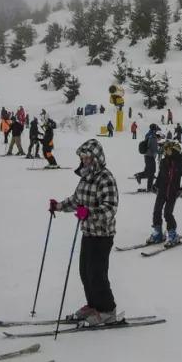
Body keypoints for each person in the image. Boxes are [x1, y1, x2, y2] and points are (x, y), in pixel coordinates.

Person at [50, 139, 122, 326]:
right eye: (82, 158)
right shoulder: (85, 177)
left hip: (103, 235)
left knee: (97, 274)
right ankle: (94, 305)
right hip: (88, 232)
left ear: (96, 158)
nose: (84, 161)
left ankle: (107, 310)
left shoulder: (106, 178)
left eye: (87, 157)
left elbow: (110, 209)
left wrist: (89, 213)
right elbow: (76, 200)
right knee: (85, 272)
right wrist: (58, 206)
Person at [148, 140, 182, 246]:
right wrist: (155, 185)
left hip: (172, 192)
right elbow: (160, 175)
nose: (165, 151)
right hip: (162, 190)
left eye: (167, 149)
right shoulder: (163, 161)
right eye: (165, 149)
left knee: (167, 213)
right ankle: (158, 233)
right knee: (156, 211)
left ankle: (172, 234)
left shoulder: (180, 163)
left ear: (174, 150)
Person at [134, 124, 160, 191]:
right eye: (156, 129)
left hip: (147, 155)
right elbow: (154, 148)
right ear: (154, 129)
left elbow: (150, 144)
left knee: (148, 171)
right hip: (150, 156)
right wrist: (159, 151)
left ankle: (140, 176)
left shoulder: (149, 134)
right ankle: (149, 187)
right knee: (152, 172)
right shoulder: (153, 137)